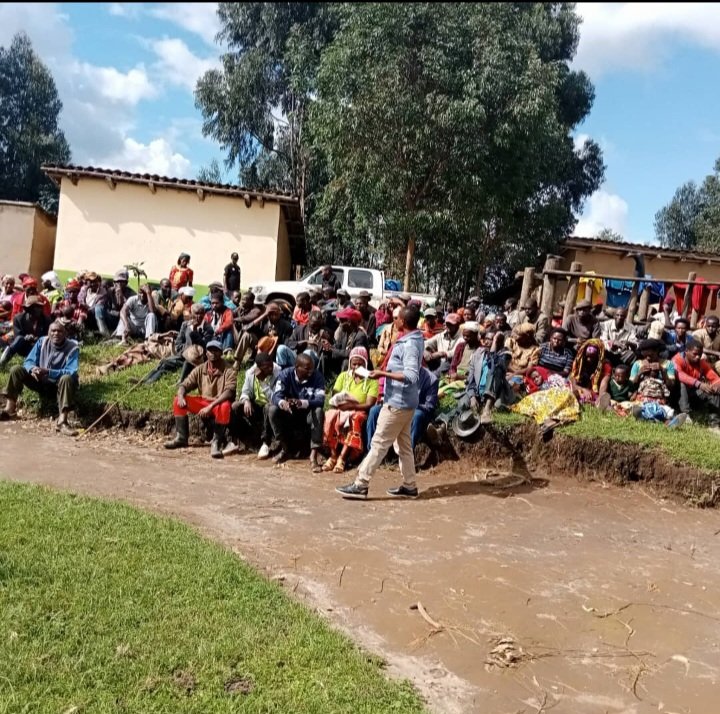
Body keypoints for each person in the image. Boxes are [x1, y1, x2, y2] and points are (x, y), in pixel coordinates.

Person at [336, 305, 424, 500]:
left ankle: (361, 484)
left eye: (396, 318)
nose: (394, 321)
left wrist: (382, 374)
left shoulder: (409, 344)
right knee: (403, 446)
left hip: (398, 403)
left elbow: (411, 375)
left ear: (403, 321)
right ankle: (410, 486)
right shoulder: (415, 338)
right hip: (405, 401)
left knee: (378, 443)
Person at [0, 321, 79, 434]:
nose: (56, 333)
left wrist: (48, 372)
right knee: (16, 369)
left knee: (66, 378)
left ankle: (62, 421)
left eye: (60, 331)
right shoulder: (42, 341)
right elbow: (28, 361)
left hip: (58, 386)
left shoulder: (72, 347)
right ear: (48, 332)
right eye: (53, 331)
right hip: (40, 381)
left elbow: (71, 371)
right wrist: (33, 369)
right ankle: (10, 409)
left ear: (65, 333)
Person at [165, 340, 237, 458]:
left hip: (217, 403)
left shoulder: (229, 370)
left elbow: (229, 392)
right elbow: (184, 385)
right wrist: (181, 395)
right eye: (210, 350)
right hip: (203, 402)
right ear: (206, 353)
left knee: (225, 406)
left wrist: (211, 406)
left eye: (216, 350)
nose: (213, 353)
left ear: (221, 353)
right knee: (177, 401)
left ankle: (216, 442)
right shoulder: (200, 369)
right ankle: (181, 437)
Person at [322, 346, 379, 473]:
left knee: (355, 418)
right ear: (350, 364)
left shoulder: (372, 380)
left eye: (360, 364)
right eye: (354, 364)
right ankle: (333, 455)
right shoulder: (343, 376)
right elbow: (335, 395)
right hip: (342, 408)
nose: (357, 367)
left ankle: (342, 457)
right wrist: (341, 403)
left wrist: (351, 406)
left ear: (365, 363)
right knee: (330, 415)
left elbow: (369, 403)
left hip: (359, 411)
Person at [268, 353, 326, 469]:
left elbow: (320, 400)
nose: (310, 371)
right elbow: (276, 395)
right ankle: (284, 448)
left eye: (312, 368)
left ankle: (313, 455)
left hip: (308, 414)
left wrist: (302, 403)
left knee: (319, 411)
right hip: (290, 413)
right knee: (272, 410)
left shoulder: (317, 377)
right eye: (307, 369)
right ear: (296, 366)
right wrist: (282, 403)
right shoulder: (285, 374)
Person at [224, 352, 281, 457]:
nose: (270, 369)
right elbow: (245, 392)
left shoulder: (278, 373)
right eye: (266, 367)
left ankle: (265, 444)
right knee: (235, 406)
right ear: (258, 368)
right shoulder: (250, 374)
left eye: (271, 365)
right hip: (256, 406)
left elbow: (275, 398)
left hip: (270, 406)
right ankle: (234, 441)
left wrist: (263, 382)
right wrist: (246, 401)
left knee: (268, 408)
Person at [143, 303, 212, 385]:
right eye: (196, 313)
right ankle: (147, 380)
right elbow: (178, 344)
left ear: (204, 314)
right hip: (183, 355)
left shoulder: (208, 329)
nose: (198, 316)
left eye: (201, 314)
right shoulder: (185, 325)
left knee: (173, 364)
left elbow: (204, 346)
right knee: (164, 363)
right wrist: (186, 350)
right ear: (191, 313)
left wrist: (194, 331)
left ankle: (179, 382)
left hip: (198, 359)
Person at [673, 339, 720, 427]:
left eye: (700, 354)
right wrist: (699, 384)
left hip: (693, 393)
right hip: (676, 395)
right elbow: (679, 375)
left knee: (713, 391)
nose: (698, 357)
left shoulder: (702, 363)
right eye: (695, 354)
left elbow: (716, 379)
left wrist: (715, 386)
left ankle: (714, 423)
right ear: (686, 351)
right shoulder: (677, 359)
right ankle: (686, 415)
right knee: (682, 383)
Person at [629, 339, 677, 422]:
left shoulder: (668, 364)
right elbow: (630, 385)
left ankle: (668, 421)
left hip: (660, 398)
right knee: (639, 407)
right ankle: (644, 416)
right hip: (643, 397)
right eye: (645, 355)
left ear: (657, 351)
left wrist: (662, 370)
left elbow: (671, 386)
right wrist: (639, 373)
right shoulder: (638, 364)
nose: (648, 358)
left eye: (651, 355)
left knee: (664, 411)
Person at [234, 301, 293, 367]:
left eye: (276, 314)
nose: (273, 317)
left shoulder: (286, 325)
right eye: (271, 314)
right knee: (247, 335)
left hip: (275, 349)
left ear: (279, 313)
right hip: (259, 345)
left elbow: (286, 344)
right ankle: (237, 361)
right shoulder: (263, 321)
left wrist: (273, 340)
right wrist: (264, 315)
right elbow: (246, 328)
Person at [0, 296, 50, 368]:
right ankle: (2, 362)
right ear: (29, 309)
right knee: (19, 338)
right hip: (24, 347)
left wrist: (37, 339)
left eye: (41, 307)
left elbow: (48, 337)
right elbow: (17, 336)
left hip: (40, 348)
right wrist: (26, 337)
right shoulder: (18, 319)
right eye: (37, 307)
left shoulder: (46, 320)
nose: (40, 309)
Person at [569, 339, 610, 404]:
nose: (589, 359)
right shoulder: (579, 361)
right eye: (587, 356)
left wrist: (600, 397)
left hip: (593, 392)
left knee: (598, 399)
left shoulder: (605, 365)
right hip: (579, 388)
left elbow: (604, 383)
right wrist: (583, 389)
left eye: (592, 357)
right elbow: (573, 382)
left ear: (599, 355)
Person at [95, 270, 135, 337]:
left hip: (124, 320)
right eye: (117, 282)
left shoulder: (131, 294)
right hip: (112, 317)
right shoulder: (110, 291)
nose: (119, 284)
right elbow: (106, 307)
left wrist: (121, 296)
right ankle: (104, 333)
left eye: (122, 282)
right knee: (98, 308)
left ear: (126, 283)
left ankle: (119, 334)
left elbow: (129, 312)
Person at [331, 307, 370, 372]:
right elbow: (338, 346)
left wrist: (333, 350)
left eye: (341, 322)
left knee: (347, 362)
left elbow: (353, 354)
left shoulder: (360, 336)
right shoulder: (344, 333)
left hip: (358, 366)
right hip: (343, 361)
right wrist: (329, 347)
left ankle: (346, 380)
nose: (340, 325)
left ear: (348, 322)